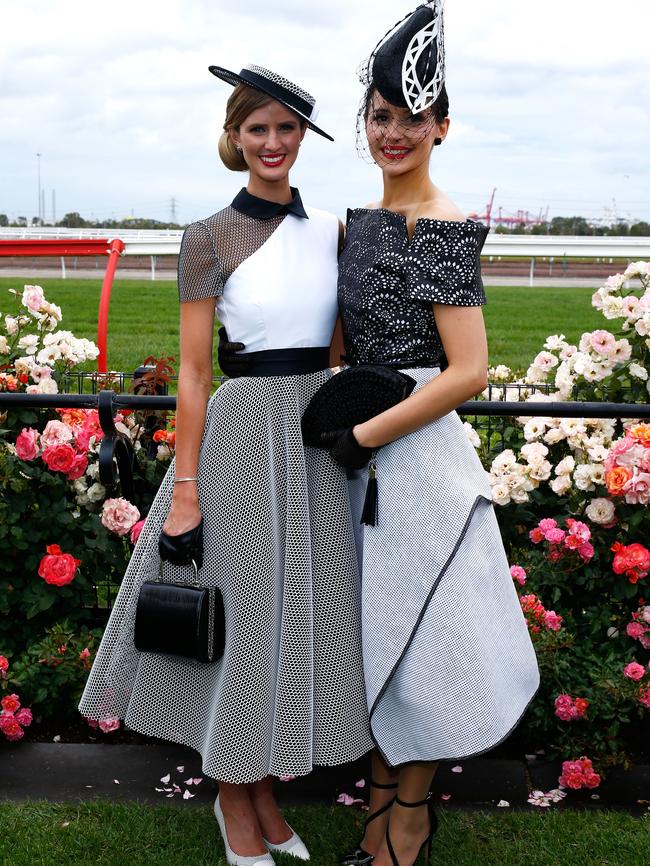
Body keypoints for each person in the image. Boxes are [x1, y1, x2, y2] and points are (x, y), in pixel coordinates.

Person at [79, 63, 373, 866]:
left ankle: (264, 795)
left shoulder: (335, 232)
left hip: (312, 442)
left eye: (287, 130)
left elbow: (340, 348)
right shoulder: (208, 235)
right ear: (234, 137)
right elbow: (196, 373)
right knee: (243, 623)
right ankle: (232, 804)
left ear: (303, 140)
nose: (272, 143)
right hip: (242, 439)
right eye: (257, 129)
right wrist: (185, 488)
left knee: (292, 617)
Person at [327, 4, 541, 865]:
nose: (394, 132)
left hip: (413, 461)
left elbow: (468, 373)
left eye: (412, 117)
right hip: (359, 456)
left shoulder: (443, 228)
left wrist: (367, 433)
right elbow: (346, 343)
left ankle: (404, 825)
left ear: (442, 126)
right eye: (380, 117)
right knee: (376, 639)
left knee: (418, 643)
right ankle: (381, 816)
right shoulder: (359, 223)